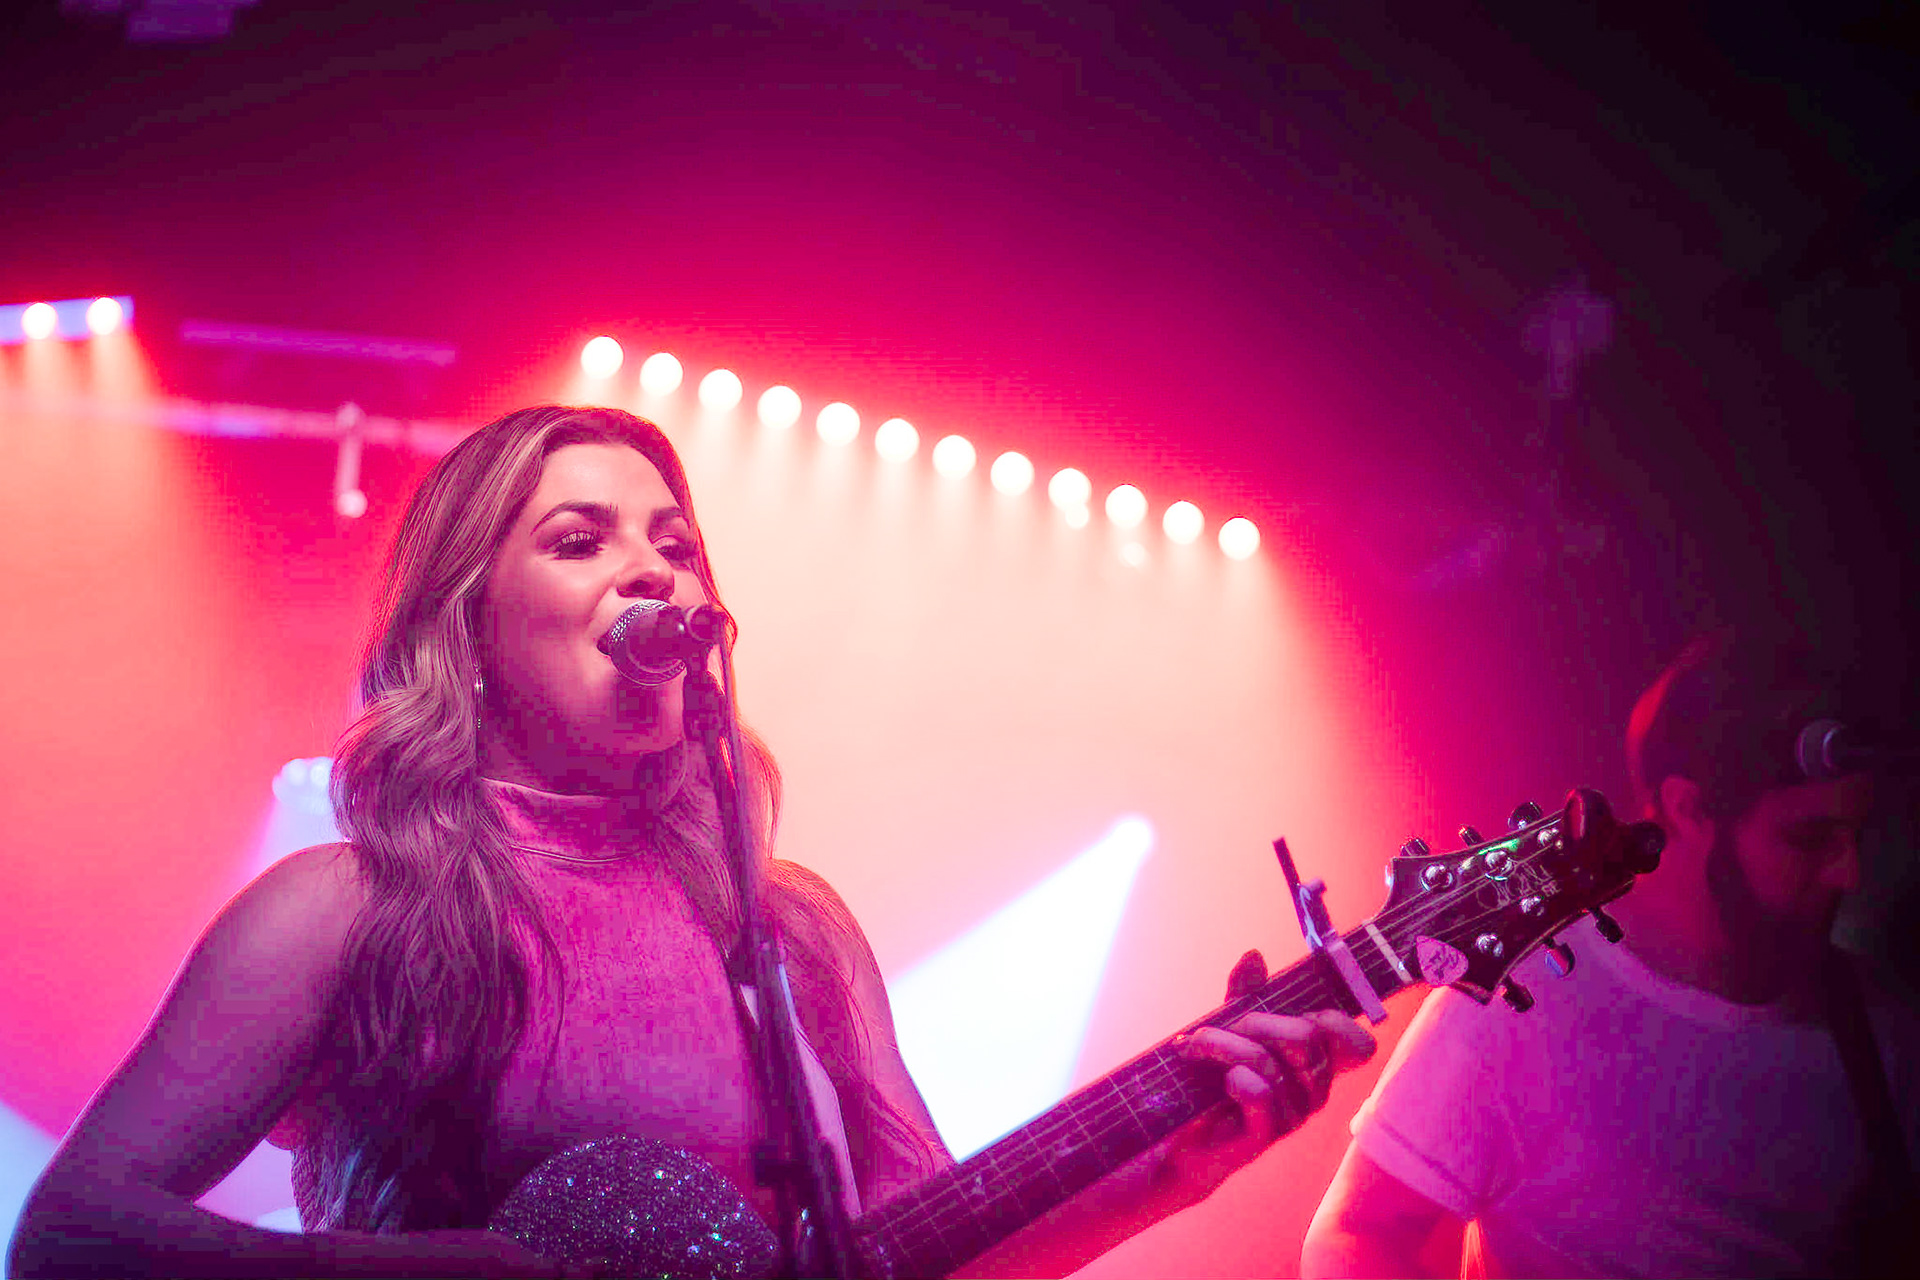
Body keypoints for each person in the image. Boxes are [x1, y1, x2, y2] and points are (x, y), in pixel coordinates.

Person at [11, 404, 1374, 1279]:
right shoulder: (340, 909)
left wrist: (1168, 1177)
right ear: (471, 629)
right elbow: (68, 1240)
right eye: (580, 539)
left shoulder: (786, 928)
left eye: (675, 541)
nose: (654, 569)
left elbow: (921, 1255)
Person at [1301, 627, 1918, 1279]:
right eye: (1809, 838)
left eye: (1855, 835)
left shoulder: (1881, 1032)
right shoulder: (1526, 993)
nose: (1847, 873)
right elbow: (1353, 1236)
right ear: (1691, 809)